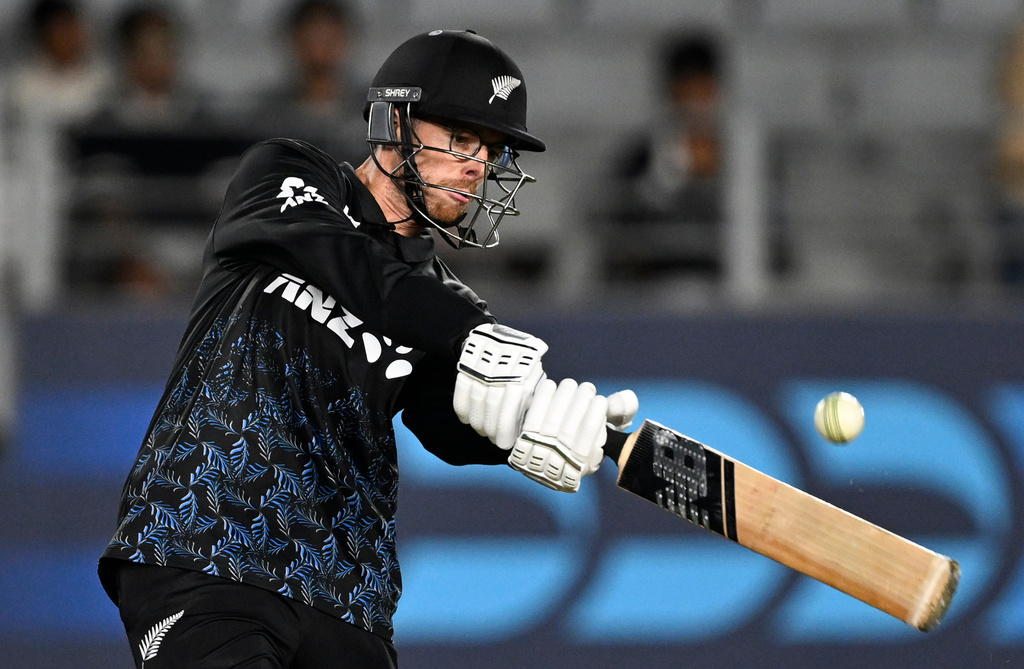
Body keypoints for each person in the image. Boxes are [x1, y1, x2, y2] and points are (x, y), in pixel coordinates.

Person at [97, 29, 638, 668]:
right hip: (208, 547)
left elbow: (446, 424)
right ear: (393, 123)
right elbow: (358, 268)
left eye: (490, 151)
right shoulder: (286, 176)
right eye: (462, 140)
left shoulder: (440, 304)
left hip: (346, 596)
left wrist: (527, 426)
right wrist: (473, 333)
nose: (478, 165)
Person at [597, 33, 725, 282]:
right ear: (671, 93)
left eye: (702, 89)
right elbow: (621, 235)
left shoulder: (746, 156)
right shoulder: (639, 157)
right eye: (686, 90)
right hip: (656, 288)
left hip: (725, 284)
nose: (695, 101)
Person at [251, 0, 366, 163]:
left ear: (346, 40)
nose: (320, 46)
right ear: (293, 40)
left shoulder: (372, 114)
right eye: (312, 37)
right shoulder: (267, 117)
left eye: (329, 38)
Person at [6, 0, 111, 129]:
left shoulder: (103, 80)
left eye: (74, 27)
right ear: (43, 34)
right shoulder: (21, 86)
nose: (72, 36)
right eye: (62, 29)